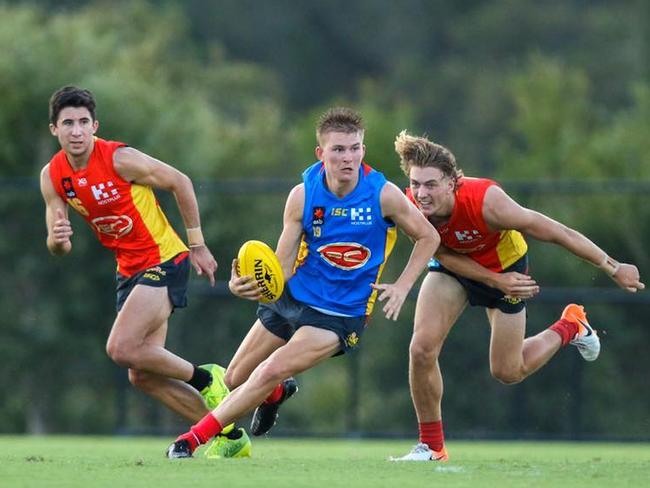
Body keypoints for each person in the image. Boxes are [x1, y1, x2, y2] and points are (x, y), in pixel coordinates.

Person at [166, 107, 440, 458]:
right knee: (234, 379)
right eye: (339, 149)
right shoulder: (302, 195)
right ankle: (276, 393)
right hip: (294, 298)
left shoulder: (383, 194)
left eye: (355, 148)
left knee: (270, 369)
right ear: (320, 153)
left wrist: (402, 286)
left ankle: (189, 441)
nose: (349, 157)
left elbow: (428, 237)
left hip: (339, 314)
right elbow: (281, 269)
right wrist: (246, 285)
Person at [389, 131, 645, 462]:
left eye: (431, 185)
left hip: (509, 269)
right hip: (460, 272)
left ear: (454, 182)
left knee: (508, 371)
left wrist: (613, 266)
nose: (421, 194)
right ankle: (432, 447)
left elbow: (558, 232)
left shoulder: (487, 202)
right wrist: (493, 280)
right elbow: (439, 251)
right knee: (421, 349)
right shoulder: (410, 206)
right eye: (416, 184)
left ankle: (571, 326)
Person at [40, 86, 249, 458]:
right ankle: (227, 437)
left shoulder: (120, 158)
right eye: (67, 123)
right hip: (129, 271)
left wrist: (198, 244)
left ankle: (207, 377)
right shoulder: (53, 176)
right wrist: (57, 238)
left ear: (95, 126)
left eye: (83, 122)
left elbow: (179, 181)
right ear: (54, 129)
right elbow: (60, 246)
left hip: (164, 260)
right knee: (142, 374)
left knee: (120, 348)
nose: (76, 131)